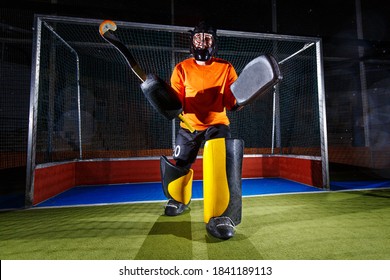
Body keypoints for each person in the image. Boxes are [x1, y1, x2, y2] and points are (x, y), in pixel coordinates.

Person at [159, 21, 244, 240]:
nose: (202, 42)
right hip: (188, 125)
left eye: (207, 38)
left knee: (219, 166)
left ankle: (220, 215)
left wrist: (240, 100)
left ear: (214, 42)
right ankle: (179, 200)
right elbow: (176, 99)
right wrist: (162, 98)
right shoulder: (181, 68)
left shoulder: (226, 67)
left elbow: (232, 100)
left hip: (217, 124)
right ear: (192, 41)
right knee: (181, 164)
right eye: (198, 38)